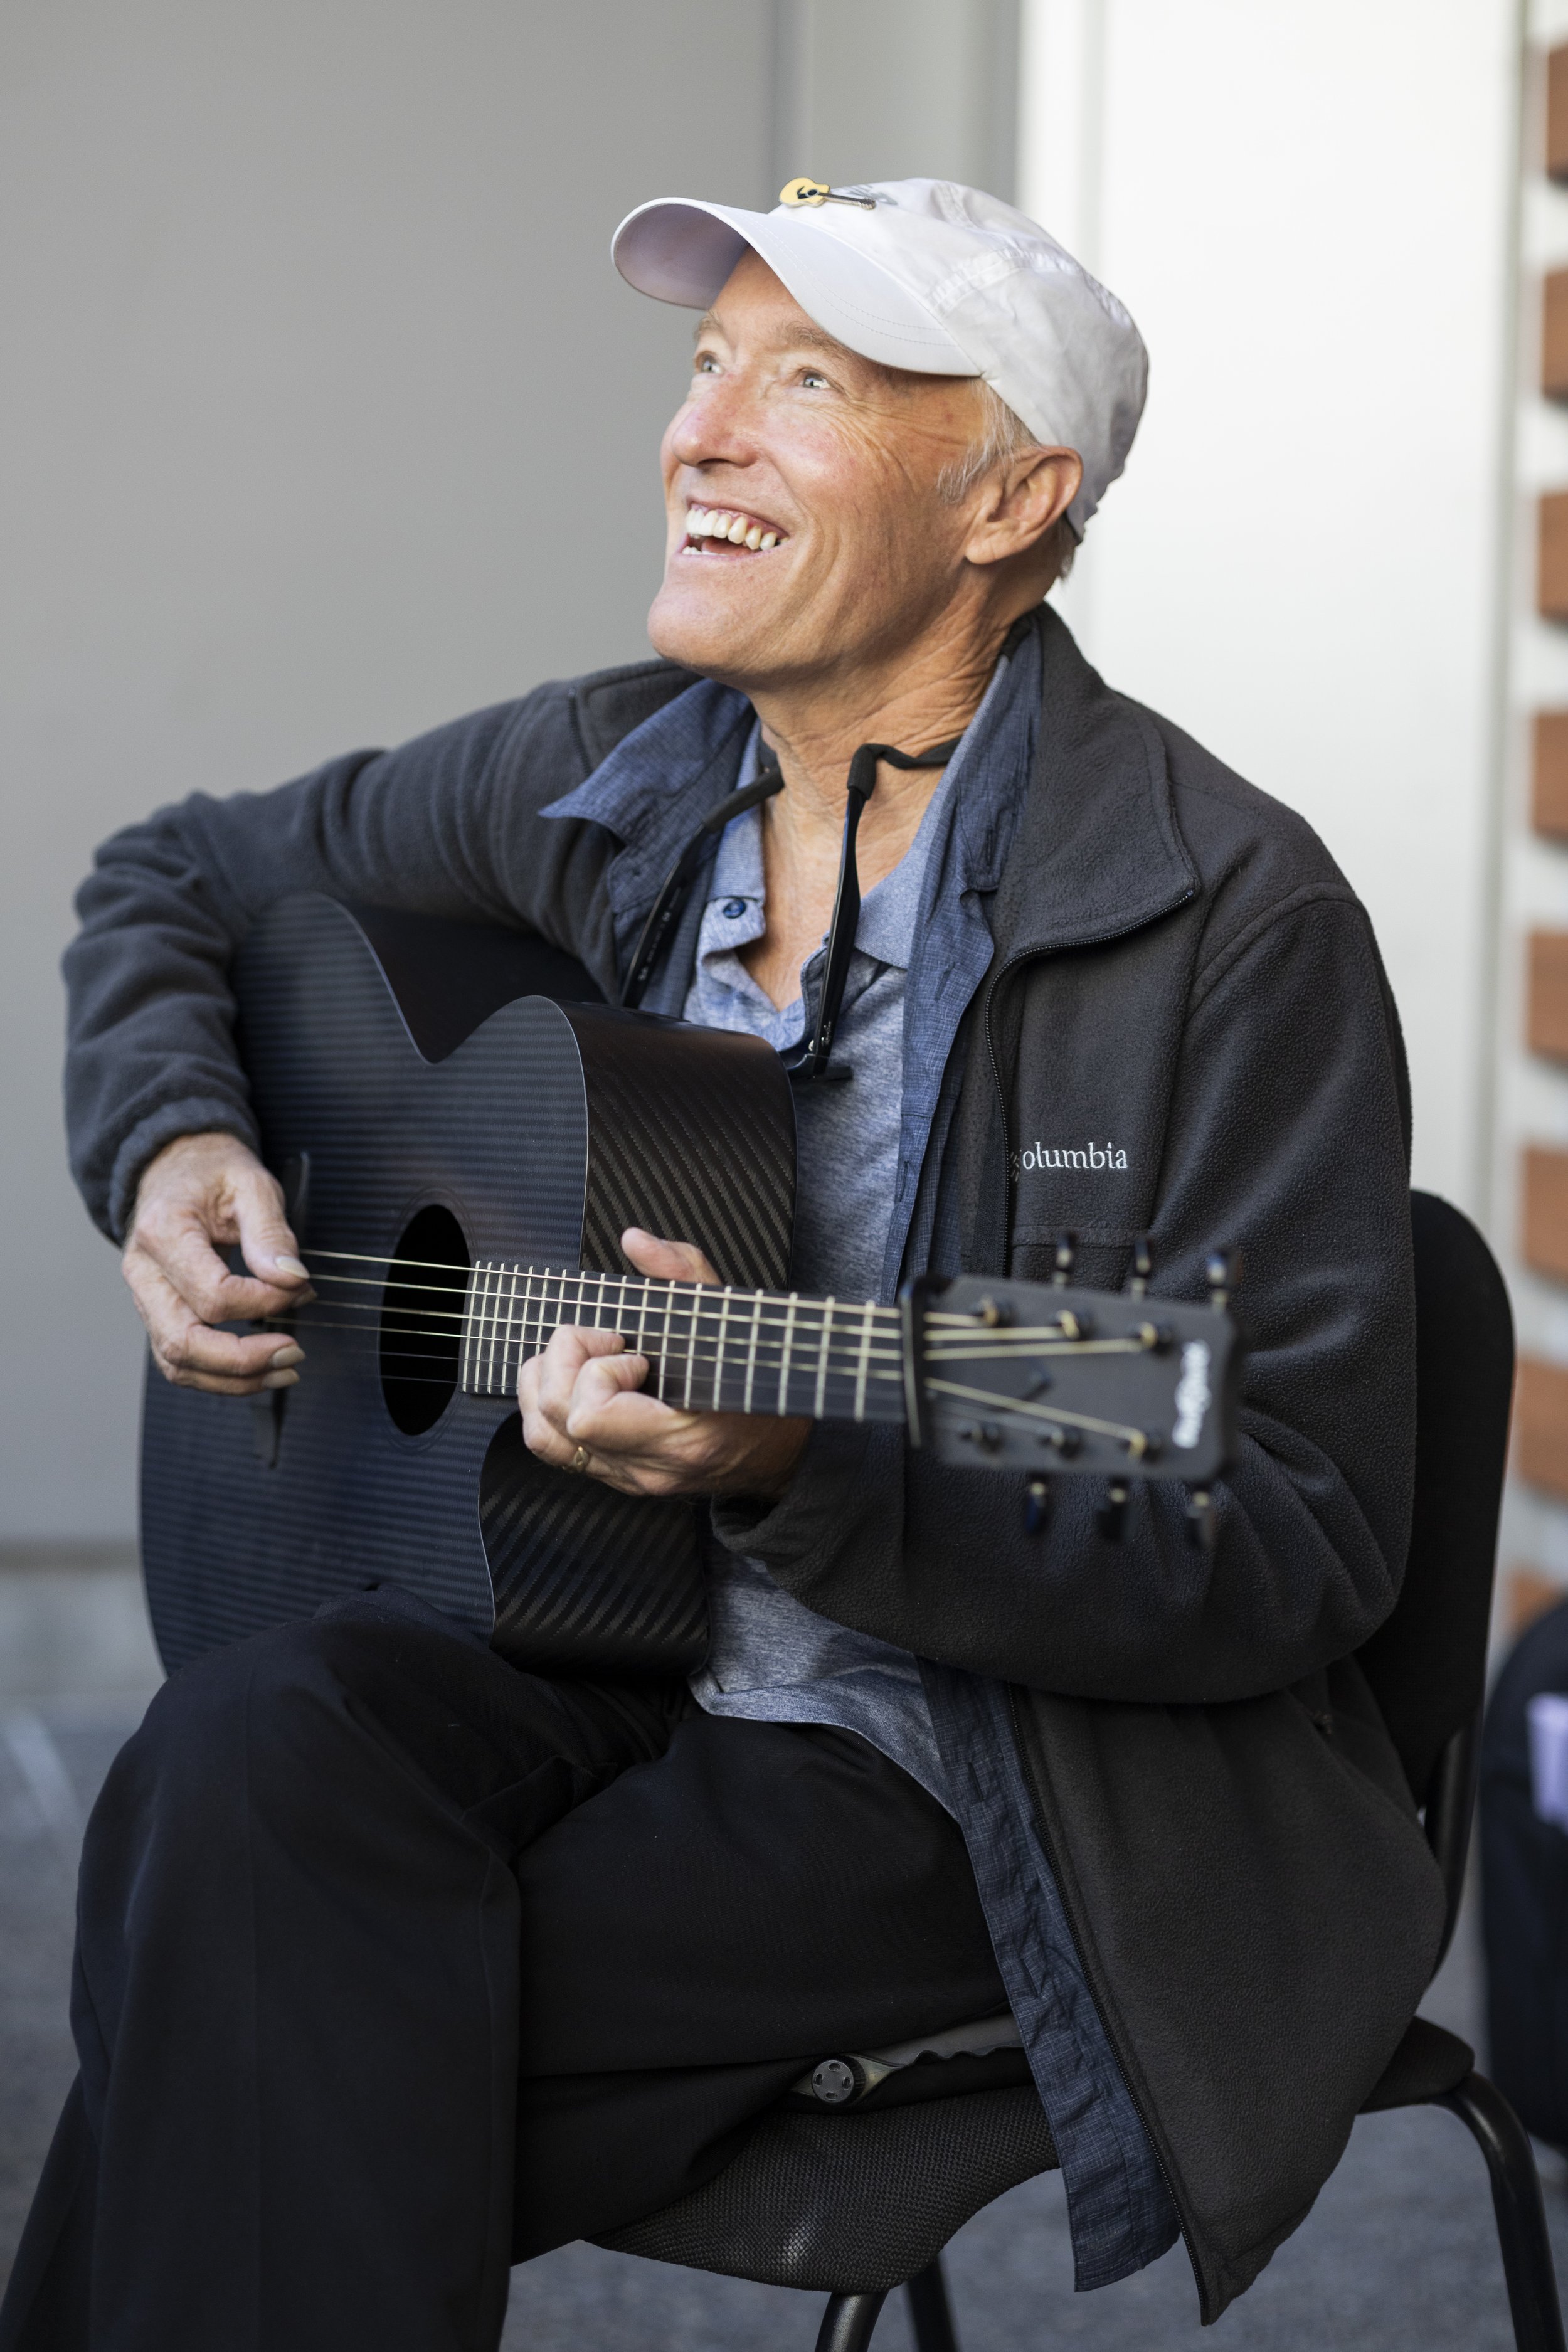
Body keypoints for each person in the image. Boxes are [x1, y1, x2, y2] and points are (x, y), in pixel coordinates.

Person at [2, 178, 1443, 2351]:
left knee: (247, 1976)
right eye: (701, 370)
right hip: (582, 1637)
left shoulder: (1224, 919)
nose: (700, 433)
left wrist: (800, 1464)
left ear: (1010, 497)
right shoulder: (623, 774)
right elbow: (177, 874)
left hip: (987, 1777)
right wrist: (173, 1132)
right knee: (229, 1769)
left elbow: (1291, 1530)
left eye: (807, 384)